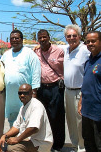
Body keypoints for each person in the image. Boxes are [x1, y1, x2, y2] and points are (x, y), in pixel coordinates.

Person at [1, 30, 41, 126]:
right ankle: (13, 139)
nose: (14, 40)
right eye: (12, 38)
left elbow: (36, 72)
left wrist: (34, 93)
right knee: (12, 119)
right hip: (10, 95)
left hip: (25, 94)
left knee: (26, 118)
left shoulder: (30, 54)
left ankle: (24, 140)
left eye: (17, 38)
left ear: (22, 40)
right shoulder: (6, 55)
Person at [34, 29, 65, 151]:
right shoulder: (36, 51)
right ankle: (45, 144)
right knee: (43, 117)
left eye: (44, 37)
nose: (42, 39)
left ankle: (57, 145)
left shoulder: (59, 51)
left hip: (55, 88)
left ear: (49, 37)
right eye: (40, 38)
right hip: (41, 89)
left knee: (56, 117)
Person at [0, 83, 53, 152]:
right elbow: (16, 126)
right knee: (8, 143)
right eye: (20, 93)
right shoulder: (23, 107)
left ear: (31, 93)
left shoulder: (36, 106)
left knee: (12, 149)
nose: (22, 95)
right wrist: (5, 136)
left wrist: (17, 139)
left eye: (25, 93)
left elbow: (33, 128)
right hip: (30, 140)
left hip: (40, 142)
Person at [63, 24, 90, 152]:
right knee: (70, 121)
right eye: (69, 36)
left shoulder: (85, 50)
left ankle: (82, 147)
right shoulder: (65, 50)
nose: (72, 38)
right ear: (65, 38)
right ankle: (74, 145)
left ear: (79, 37)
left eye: (74, 35)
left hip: (80, 91)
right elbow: (50, 47)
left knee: (80, 122)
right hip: (67, 91)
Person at [78, 31, 101, 152]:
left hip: (98, 112)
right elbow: (86, 84)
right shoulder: (88, 61)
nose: (90, 43)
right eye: (88, 41)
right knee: (88, 141)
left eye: (93, 41)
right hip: (87, 111)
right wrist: (81, 101)